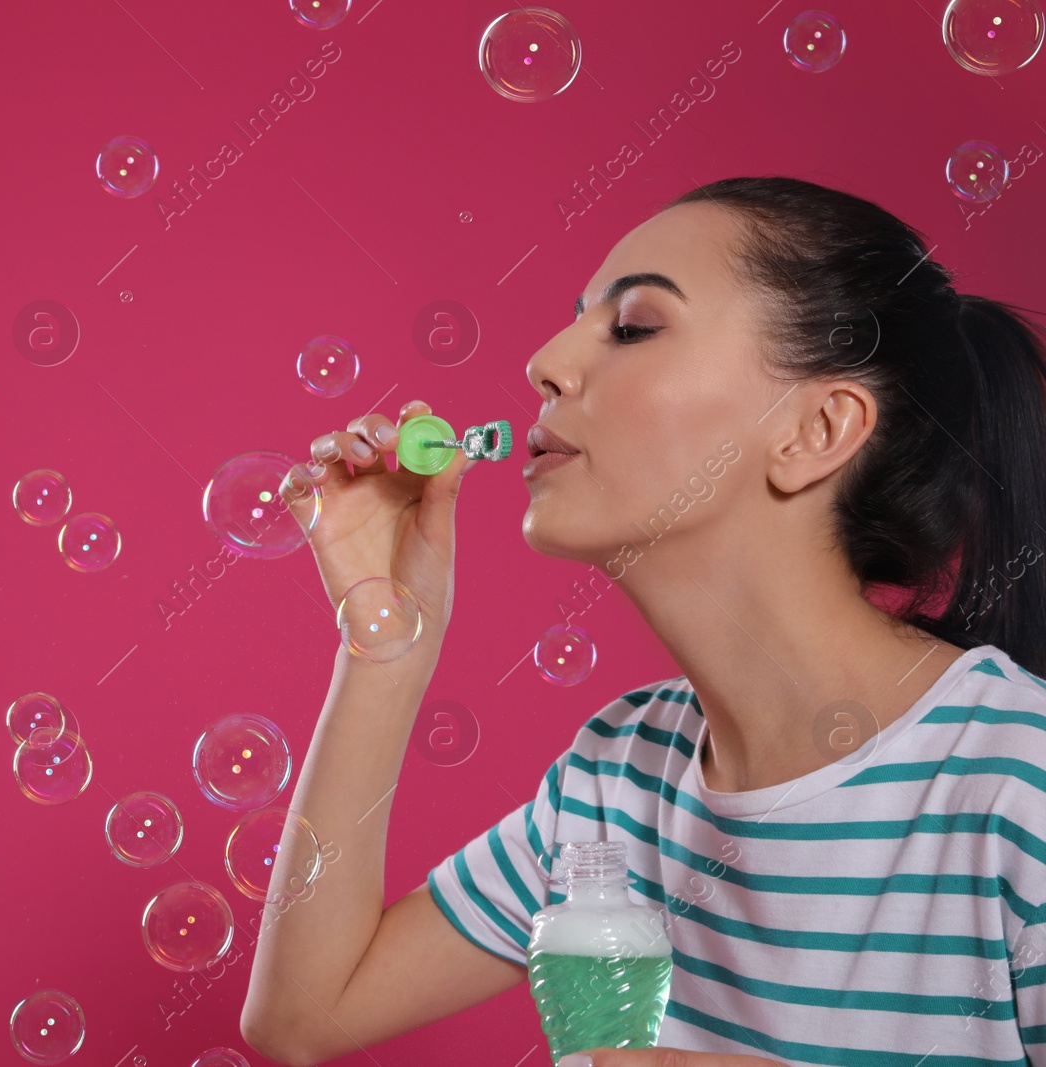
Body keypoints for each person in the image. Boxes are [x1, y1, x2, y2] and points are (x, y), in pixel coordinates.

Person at [239, 175, 1046, 1067]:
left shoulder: (1019, 788)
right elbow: (307, 1015)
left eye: (633, 327)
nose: (543, 361)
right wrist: (383, 639)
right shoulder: (619, 776)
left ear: (816, 429)